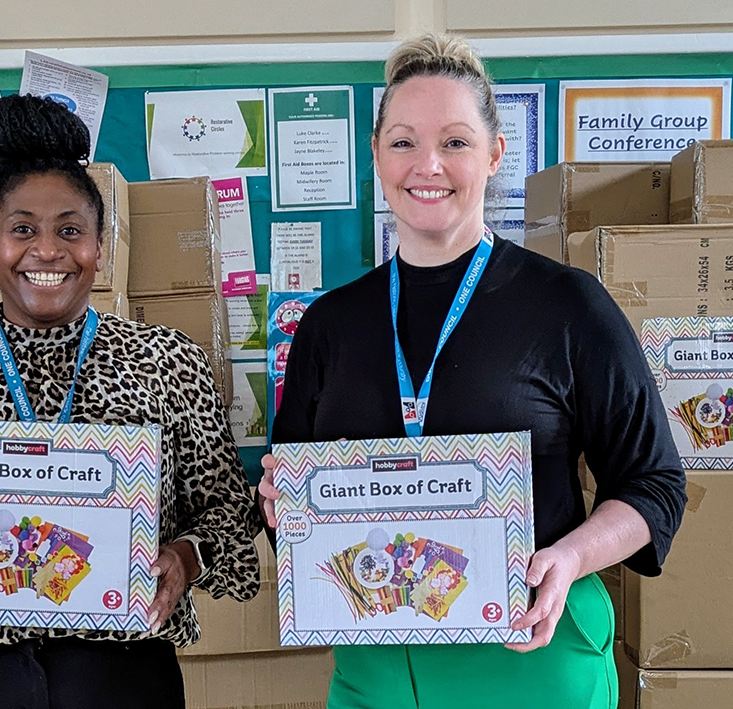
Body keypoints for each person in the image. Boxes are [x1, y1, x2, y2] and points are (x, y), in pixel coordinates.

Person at [255, 34, 688, 709]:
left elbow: (655, 485)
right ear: (376, 157)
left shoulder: (568, 306)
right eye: (402, 141)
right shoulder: (328, 326)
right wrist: (282, 505)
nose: (427, 163)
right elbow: (293, 518)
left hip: (531, 657)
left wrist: (570, 556)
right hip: (377, 669)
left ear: (493, 155)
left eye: (454, 141)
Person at [0, 94, 264, 709]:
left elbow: (228, 513)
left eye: (70, 230)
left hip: (122, 676)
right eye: (22, 230)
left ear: (99, 246)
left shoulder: (168, 363)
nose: (47, 250)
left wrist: (185, 557)